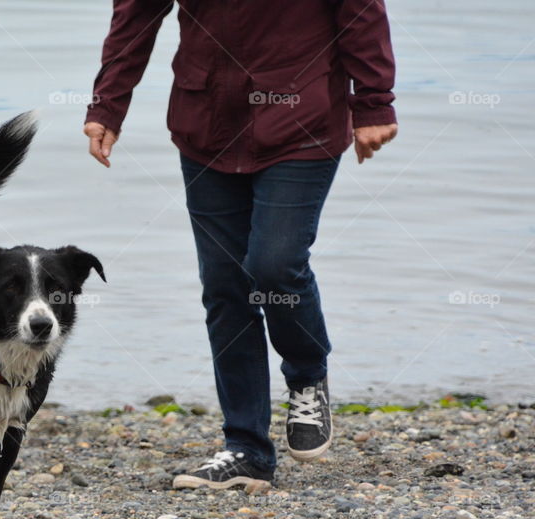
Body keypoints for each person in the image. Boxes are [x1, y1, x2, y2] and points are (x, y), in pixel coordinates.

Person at [83, 1, 398, 491]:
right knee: (226, 285)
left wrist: (374, 102)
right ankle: (246, 449)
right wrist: (108, 105)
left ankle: (307, 373)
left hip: (301, 119)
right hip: (206, 122)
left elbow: (361, 11)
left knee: (275, 266)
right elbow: (136, 14)